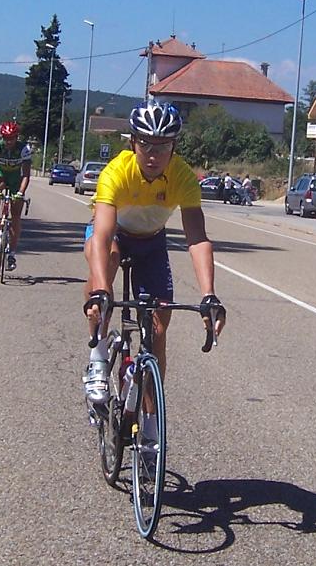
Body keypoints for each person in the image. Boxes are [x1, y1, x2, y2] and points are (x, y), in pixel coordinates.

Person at [82, 101, 225, 427]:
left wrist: (209, 295)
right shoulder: (116, 172)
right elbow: (102, 235)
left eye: (162, 146)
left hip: (151, 242)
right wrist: (101, 289)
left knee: (157, 333)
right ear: (133, 142)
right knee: (107, 260)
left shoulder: (182, 177)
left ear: (174, 147)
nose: (153, 154)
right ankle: (98, 356)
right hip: (115, 235)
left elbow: (197, 238)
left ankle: (149, 426)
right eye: (145, 144)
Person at [0, 121, 32, 272]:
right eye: (5, 138)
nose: (8, 141)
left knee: (16, 215)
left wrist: (21, 193)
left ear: (16, 137)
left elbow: (26, 175)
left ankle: (11, 254)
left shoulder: (24, 149)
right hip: (1, 175)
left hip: (16, 179)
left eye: (11, 138)